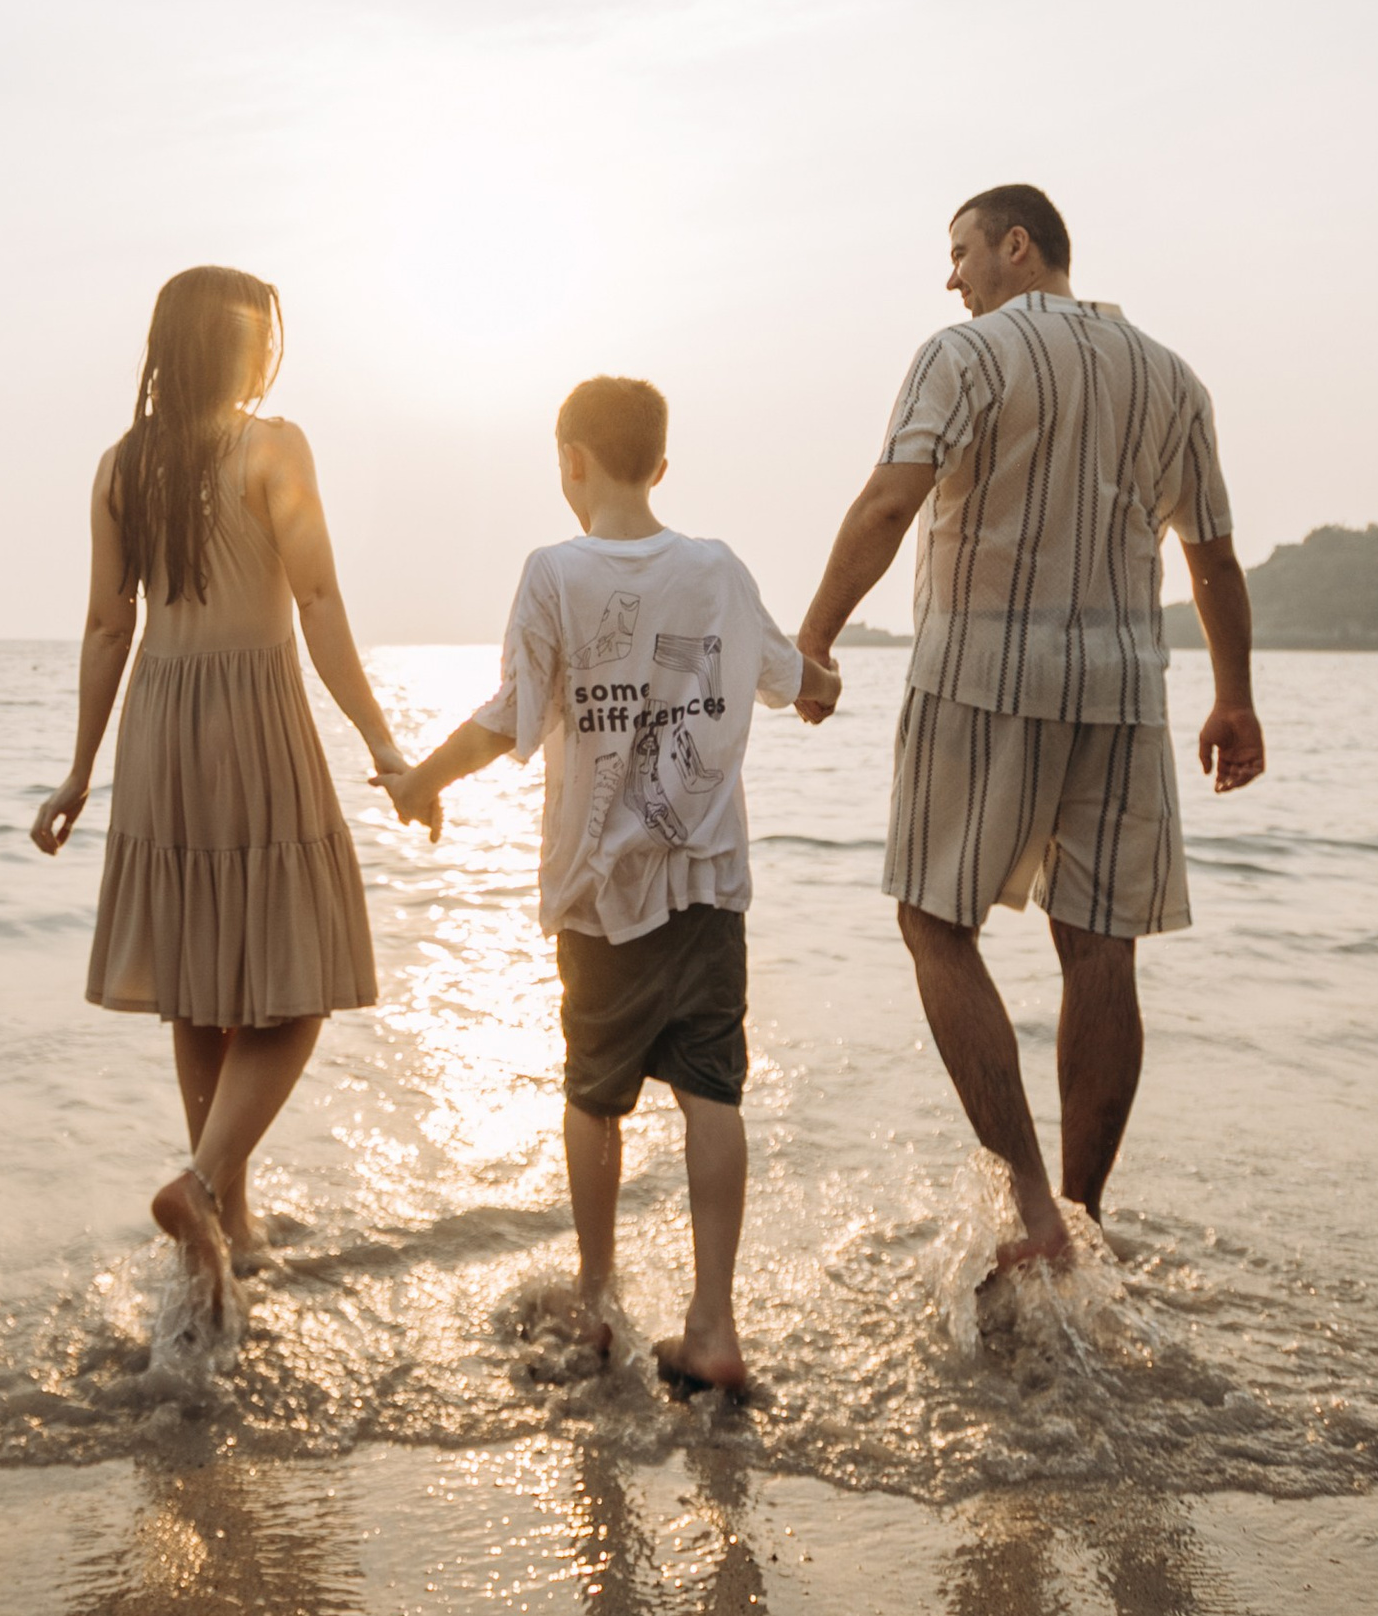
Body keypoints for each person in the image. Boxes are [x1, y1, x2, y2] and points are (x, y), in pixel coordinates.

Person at [795, 184, 1265, 1273]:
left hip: (979, 675)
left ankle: (1028, 1209)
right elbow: (1215, 559)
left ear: (1017, 246)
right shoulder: (1171, 375)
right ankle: (1083, 1215)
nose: (949, 276)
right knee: (1100, 951)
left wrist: (815, 638)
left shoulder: (966, 356)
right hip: (1123, 691)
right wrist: (1232, 696)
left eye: (958, 251)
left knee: (930, 922)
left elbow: (885, 503)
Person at [387, 376, 838, 1395]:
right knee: (711, 1092)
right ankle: (713, 1323)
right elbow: (790, 673)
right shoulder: (715, 568)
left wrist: (420, 777)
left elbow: (510, 715)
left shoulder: (552, 573)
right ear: (661, 467)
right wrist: (823, 689)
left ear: (570, 461)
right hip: (708, 887)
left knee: (595, 1099)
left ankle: (596, 1305)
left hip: (599, 895)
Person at [30, 263, 420, 1316]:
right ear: (234, 346)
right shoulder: (272, 446)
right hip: (252, 714)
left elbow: (111, 625)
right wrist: (382, 746)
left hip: (159, 726)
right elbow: (322, 596)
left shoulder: (123, 466)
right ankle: (202, 1186)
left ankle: (228, 1231)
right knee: (302, 983)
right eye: (257, 333)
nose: (265, 350)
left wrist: (78, 772)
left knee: (200, 976)